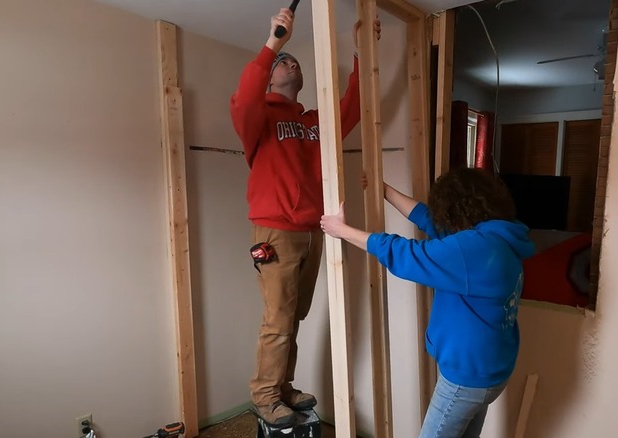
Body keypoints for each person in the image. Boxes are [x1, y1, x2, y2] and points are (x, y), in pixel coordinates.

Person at [229, 7, 381, 428]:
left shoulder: (314, 122)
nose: (288, 63)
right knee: (277, 319)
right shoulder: (258, 116)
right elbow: (242, 97)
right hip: (275, 231)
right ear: (271, 78)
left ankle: (282, 387)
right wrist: (273, 43)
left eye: (292, 61)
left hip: (311, 231)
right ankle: (264, 395)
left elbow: (353, 106)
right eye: (281, 63)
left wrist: (360, 52)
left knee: (294, 314)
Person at [320, 168, 535, 438]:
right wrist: (384, 190)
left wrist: (342, 231)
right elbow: (430, 221)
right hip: (490, 369)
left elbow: (406, 254)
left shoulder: (476, 251)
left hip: (466, 377)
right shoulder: (499, 239)